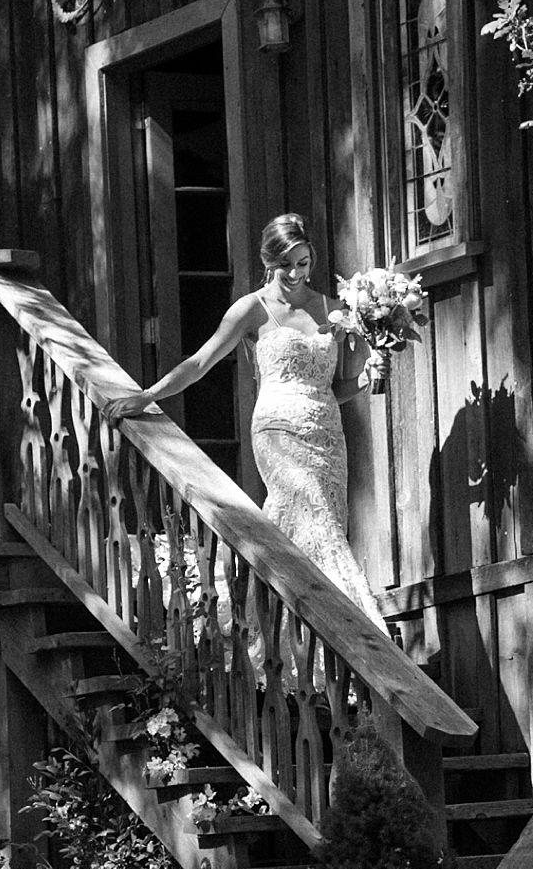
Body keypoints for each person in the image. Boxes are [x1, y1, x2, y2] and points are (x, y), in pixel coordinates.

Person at [104, 211, 387, 628]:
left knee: (314, 522)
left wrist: (366, 377)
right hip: (277, 431)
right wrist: (148, 395)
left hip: (327, 436)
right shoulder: (251, 309)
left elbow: (340, 386)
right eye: (284, 264)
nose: (294, 273)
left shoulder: (334, 309)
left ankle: (283, 632)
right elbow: (201, 361)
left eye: (303, 263)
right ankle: (351, 622)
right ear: (268, 261)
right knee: (313, 515)